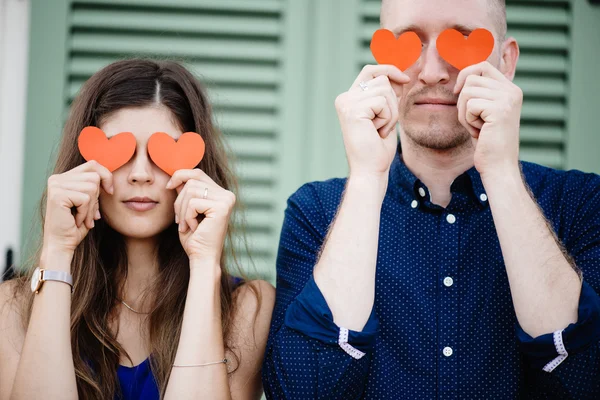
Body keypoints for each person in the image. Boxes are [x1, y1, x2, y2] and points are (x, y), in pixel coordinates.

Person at [262, 0, 600, 398]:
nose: (433, 72)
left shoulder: (579, 204)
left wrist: (502, 174)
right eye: (410, 41)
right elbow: (303, 391)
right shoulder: (317, 212)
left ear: (506, 62)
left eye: (463, 40)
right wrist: (368, 177)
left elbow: (586, 380)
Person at [0, 59, 275, 400]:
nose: (141, 174)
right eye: (121, 151)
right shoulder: (12, 306)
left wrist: (205, 264)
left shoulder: (247, 309)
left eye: (163, 153)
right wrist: (57, 251)